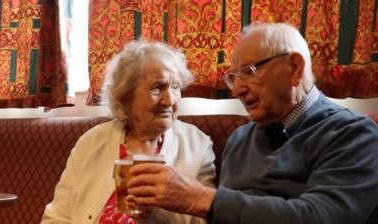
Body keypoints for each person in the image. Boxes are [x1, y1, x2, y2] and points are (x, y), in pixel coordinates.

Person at [127, 23, 378, 224]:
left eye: (248, 71)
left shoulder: (354, 135)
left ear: (294, 67)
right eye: (232, 78)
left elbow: (321, 216)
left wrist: (200, 199)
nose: (236, 89)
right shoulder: (240, 138)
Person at [41, 39, 216, 224]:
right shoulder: (92, 142)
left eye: (175, 87)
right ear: (126, 95)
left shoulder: (197, 145)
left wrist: (157, 213)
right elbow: (57, 217)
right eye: (158, 87)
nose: (169, 100)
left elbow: (206, 217)